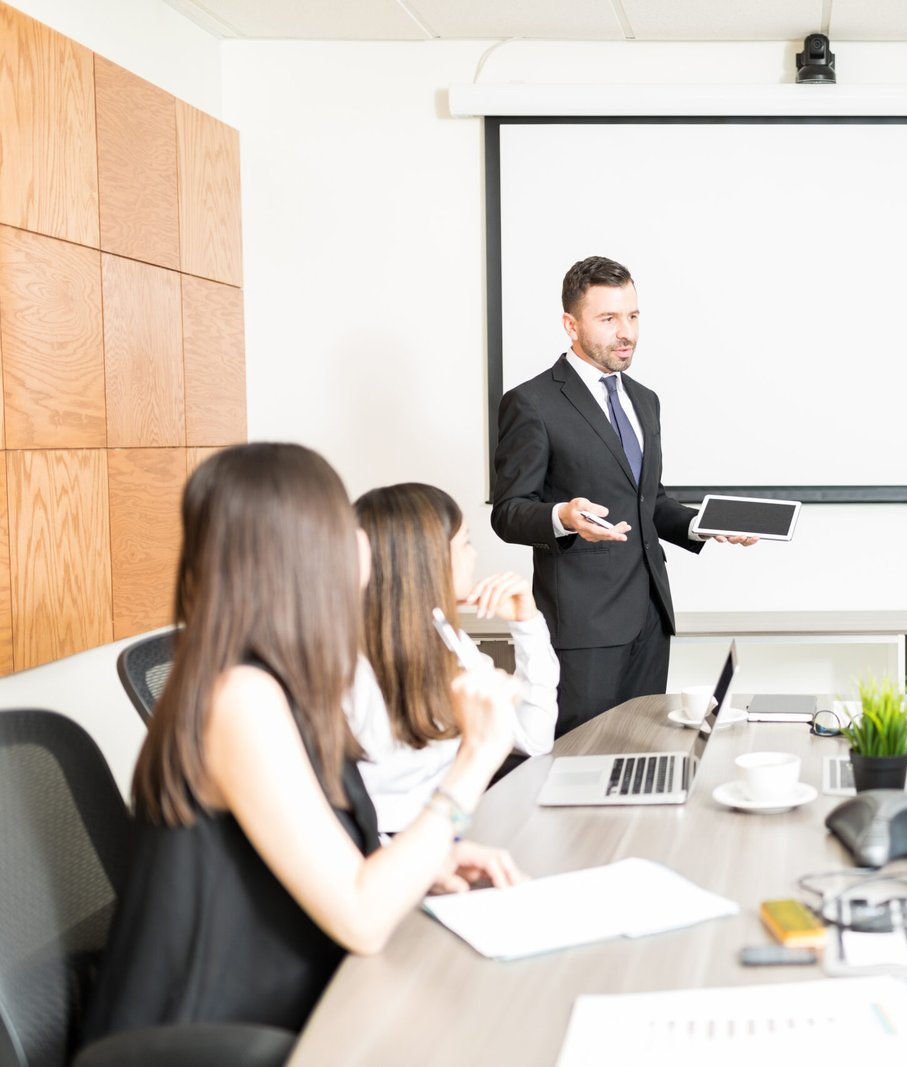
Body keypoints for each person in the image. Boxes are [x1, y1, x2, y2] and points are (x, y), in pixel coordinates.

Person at [83, 444, 524, 1042]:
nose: (361, 540)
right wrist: (476, 758)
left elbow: (318, 861)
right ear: (303, 550)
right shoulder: (239, 698)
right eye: (341, 522)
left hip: (293, 999)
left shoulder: (283, 681)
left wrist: (422, 863)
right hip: (216, 1039)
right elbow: (362, 919)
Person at [491, 255, 754, 736]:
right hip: (583, 628)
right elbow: (508, 512)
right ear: (571, 325)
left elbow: (649, 501)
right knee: (579, 759)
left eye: (632, 316)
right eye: (608, 318)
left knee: (641, 754)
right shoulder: (531, 403)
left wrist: (704, 525)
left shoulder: (644, 400)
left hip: (650, 620)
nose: (626, 332)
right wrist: (563, 516)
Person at [349, 483, 561, 833]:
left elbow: (534, 739)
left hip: (450, 831)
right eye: (466, 543)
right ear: (428, 557)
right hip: (403, 846)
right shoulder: (354, 671)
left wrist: (527, 623)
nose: (474, 556)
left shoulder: (446, 636)